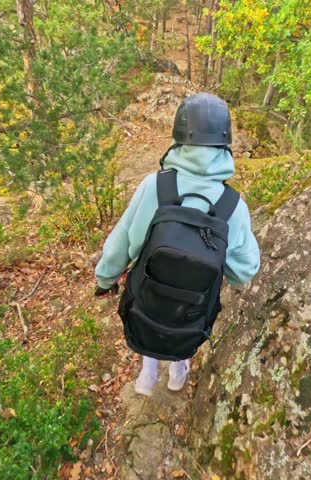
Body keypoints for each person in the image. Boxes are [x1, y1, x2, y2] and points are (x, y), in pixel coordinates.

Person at [93, 93, 260, 396]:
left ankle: (148, 371)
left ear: (179, 137)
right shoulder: (233, 206)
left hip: (148, 294)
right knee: (188, 310)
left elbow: (121, 244)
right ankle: (178, 368)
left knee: (151, 300)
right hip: (193, 306)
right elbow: (245, 270)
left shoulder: (154, 185)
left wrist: (105, 278)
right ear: (225, 144)